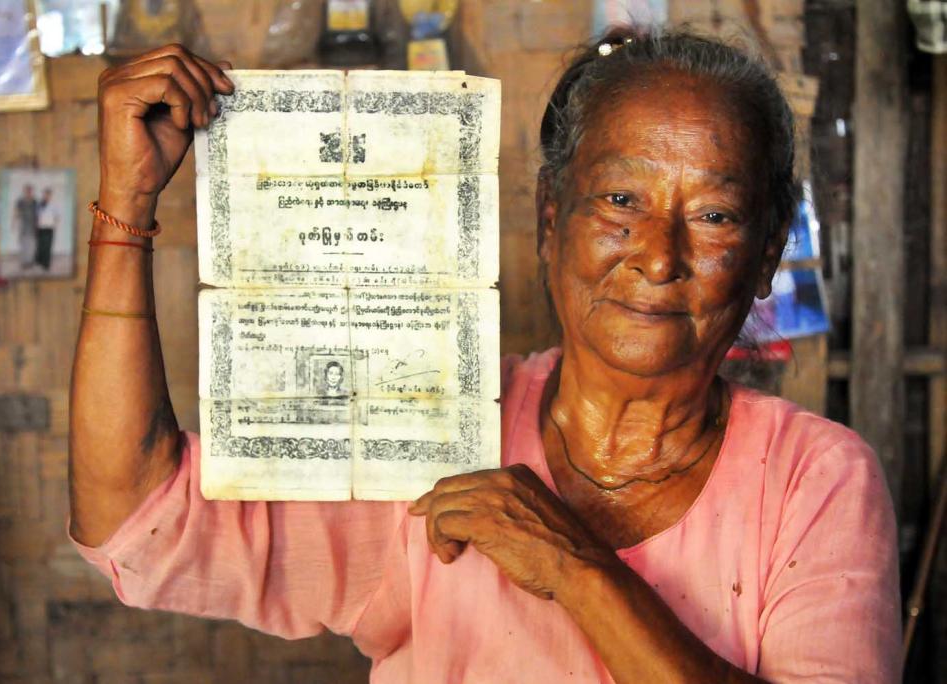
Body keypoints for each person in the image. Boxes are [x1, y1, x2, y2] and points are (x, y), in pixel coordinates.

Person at [69, 32, 901, 683]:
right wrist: (127, 204)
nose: (658, 255)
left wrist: (576, 569)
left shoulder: (815, 480)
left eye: (716, 216)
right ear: (551, 218)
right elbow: (135, 519)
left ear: (765, 253)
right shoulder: (429, 424)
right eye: (619, 201)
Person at [13, 183, 39, 269]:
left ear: (32, 192)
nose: (28, 192)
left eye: (30, 191)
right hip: (23, 225)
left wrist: (38, 225)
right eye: (27, 191)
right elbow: (16, 212)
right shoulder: (20, 201)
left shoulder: (35, 201)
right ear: (24, 191)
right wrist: (13, 223)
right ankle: (24, 262)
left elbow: (38, 214)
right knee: (23, 244)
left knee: (32, 245)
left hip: (33, 226)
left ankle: (30, 262)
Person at [35, 187, 58, 271]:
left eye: (47, 195)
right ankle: (40, 262)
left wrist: (54, 225)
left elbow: (57, 217)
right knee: (41, 246)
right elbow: (37, 216)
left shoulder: (53, 205)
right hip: (41, 228)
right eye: (44, 195)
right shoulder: (40, 205)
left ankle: (46, 265)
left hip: (49, 228)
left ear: (50, 195)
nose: (46, 196)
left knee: (47, 246)